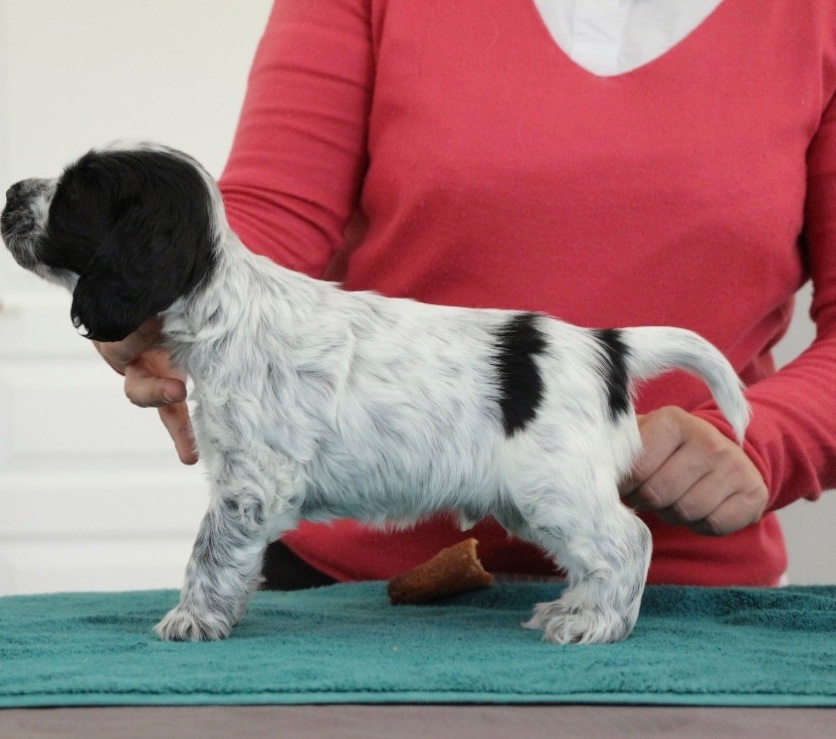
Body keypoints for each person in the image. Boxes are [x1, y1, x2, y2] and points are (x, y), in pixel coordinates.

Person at [96, 0, 836, 589]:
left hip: (682, 606)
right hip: (354, 596)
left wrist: (763, 441)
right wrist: (156, 283)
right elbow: (270, 219)